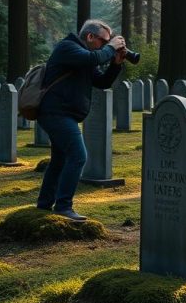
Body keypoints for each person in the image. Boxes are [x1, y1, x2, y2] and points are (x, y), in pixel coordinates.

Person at [35, 19, 127, 221]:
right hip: (56, 113)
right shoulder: (68, 48)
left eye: (107, 43)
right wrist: (112, 47)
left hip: (63, 114)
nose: (105, 45)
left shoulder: (85, 57)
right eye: (103, 41)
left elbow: (102, 82)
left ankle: (44, 204)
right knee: (78, 155)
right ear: (90, 36)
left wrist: (116, 63)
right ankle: (63, 206)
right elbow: (94, 59)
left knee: (59, 160)